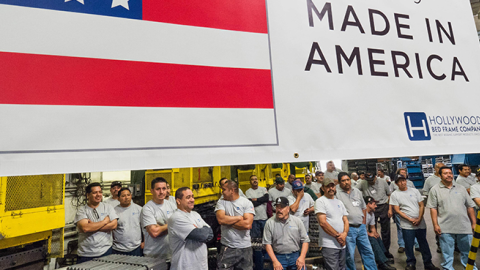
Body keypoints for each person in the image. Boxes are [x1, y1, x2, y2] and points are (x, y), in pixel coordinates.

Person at [427, 166, 477, 270]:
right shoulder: (435, 190)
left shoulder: (461, 188)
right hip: (445, 228)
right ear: (440, 176)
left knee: (467, 253)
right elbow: (433, 209)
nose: (449, 175)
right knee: (447, 255)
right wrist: (435, 225)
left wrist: (473, 223)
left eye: (450, 173)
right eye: (445, 173)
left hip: (464, 227)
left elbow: (470, 206)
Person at [390, 176, 439, 270]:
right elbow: (397, 210)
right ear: (396, 184)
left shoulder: (414, 191)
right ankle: (411, 263)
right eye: (400, 182)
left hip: (420, 223)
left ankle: (428, 263)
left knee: (423, 243)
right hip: (407, 225)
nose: (402, 183)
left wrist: (419, 218)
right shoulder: (395, 194)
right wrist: (410, 219)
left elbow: (421, 205)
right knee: (409, 244)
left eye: (403, 181)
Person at [335, 172, 378, 270]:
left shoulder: (357, 192)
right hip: (348, 229)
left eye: (348, 180)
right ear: (339, 182)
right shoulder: (337, 194)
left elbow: (363, 208)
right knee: (349, 255)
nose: (346, 182)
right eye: (343, 181)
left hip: (361, 228)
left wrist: (363, 223)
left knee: (368, 251)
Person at [168, 187, 213, 270]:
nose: (192, 200)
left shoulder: (195, 214)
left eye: (192, 197)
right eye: (188, 197)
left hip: (201, 266)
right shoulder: (176, 217)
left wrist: (202, 232)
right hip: (185, 266)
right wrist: (202, 231)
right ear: (178, 201)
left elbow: (210, 233)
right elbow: (201, 235)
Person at [215, 180, 255, 269]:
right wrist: (239, 218)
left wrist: (228, 222)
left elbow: (247, 225)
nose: (222, 192)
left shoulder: (246, 203)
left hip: (245, 248)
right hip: (228, 247)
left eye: (224, 189)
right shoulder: (221, 202)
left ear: (232, 190)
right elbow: (221, 219)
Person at [75, 182, 118, 263]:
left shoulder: (108, 207)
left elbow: (114, 225)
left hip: (105, 252)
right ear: (88, 195)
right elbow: (85, 228)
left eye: (100, 192)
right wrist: (105, 221)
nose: (98, 195)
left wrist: (93, 226)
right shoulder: (82, 210)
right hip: (86, 254)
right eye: (95, 193)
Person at [263, 197, 310, 270]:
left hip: (295, 256)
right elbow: (267, 244)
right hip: (278, 257)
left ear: (288, 209)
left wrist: (302, 257)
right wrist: (275, 261)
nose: (279, 210)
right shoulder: (269, 223)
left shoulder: (297, 221)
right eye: (277, 207)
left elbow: (305, 241)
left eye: (281, 207)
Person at [315, 177, 349, 270]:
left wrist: (345, 234)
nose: (331, 189)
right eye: (328, 186)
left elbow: (345, 220)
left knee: (342, 268)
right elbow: (323, 223)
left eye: (332, 186)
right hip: (329, 244)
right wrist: (338, 236)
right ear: (323, 188)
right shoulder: (320, 201)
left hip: (342, 244)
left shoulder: (339, 202)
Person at [141, 177, 177, 264]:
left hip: (171, 255)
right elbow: (154, 232)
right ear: (152, 191)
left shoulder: (171, 205)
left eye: (164, 188)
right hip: (153, 257)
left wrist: (161, 227)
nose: (161, 192)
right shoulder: (147, 208)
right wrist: (171, 225)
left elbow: (180, 225)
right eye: (158, 189)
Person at [357, 172, 392, 251]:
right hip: (371, 207)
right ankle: (375, 250)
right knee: (372, 229)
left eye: (372, 180)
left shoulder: (383, 182)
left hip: (383, 205)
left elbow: (389, 194)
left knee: (386, 230)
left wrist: (390, 209)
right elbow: (354, 189)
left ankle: (386, 250)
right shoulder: (363, 183)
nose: (370, 182)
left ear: (375, 177)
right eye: (368, 180)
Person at [389, 169, 418, 253]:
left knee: (414, 226)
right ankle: (402, 245)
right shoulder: (393, 184)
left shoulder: (410, 183)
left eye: (405, 173)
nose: (404, 175)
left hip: (411, 209)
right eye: (402, 173)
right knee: (400, 228)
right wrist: (390, 209)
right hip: (399, 210)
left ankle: (416, 244)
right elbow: (390, 196)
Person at [365, 197, 396, 270]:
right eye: (374, 204)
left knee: (377, 237)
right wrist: (369, 234)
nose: (376, 206)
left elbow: (372, 227)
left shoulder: (371, 213)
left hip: (364, 232)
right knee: (372, 239)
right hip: (357, 233)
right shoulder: (362, 214)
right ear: (368, 204)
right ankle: (382, 263)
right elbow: (359, 229)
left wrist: (374, 233)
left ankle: (384, 257)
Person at [245, 175, 269, 270]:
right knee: (256, 243)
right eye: (252, 179)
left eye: (256, 179)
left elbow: (266, 199)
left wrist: (255, 200)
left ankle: (267, 258)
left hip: (264, 219)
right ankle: (259, 263)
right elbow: (250, 203)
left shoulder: (263, 189)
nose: (254, 181)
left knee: (266, 240)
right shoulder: (248, 192)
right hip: (254, 220)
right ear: (250, 181)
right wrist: (260, 200)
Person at [112, 187, 143, 256]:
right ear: (118, 198)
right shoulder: (113, 211)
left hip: (136, 248)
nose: (126, 197)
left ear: (131, 196)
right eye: (123, 196)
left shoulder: (139, 209)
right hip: (118, 249)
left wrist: (144, 242)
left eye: (128, 195)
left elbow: (144, 228)